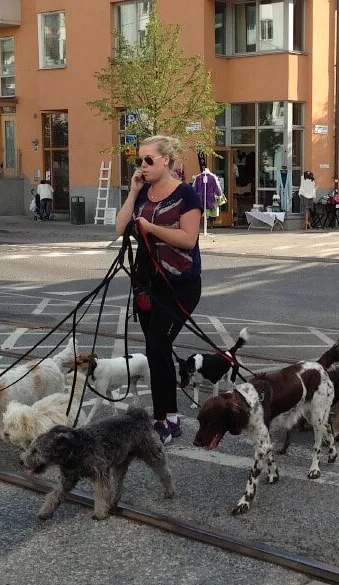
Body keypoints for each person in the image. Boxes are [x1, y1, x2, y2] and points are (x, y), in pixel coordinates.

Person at [115, 135, 202, 443]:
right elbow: (120, 227)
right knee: (157, 352)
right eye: (140, 160)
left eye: (148, 160)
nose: (143, 166)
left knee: (156, 346)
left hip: (179, 283)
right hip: (147, 284)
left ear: (166, 160)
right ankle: (166, 417)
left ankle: (166, 418)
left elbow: (188, 239)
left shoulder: (185, 194)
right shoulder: (144, 193)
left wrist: (151, 229)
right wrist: (134, 191)